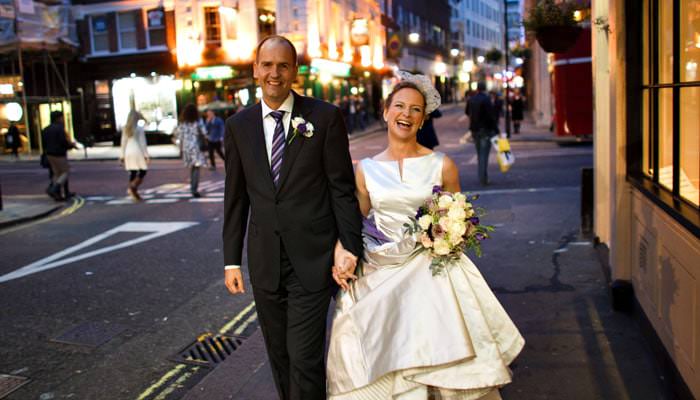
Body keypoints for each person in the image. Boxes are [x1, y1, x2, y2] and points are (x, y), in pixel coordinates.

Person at [327, 71, 524, 399]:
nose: (406, 114)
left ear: (423, 119)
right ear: (386, 112)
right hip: (381, 266)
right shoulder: (367, 169)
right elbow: (355, 220)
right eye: (400, 106)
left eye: (415, 109)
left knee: (438, 344)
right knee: (366, 333)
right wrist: (341, 251)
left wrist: (447, 235)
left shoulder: (442, 164)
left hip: (432, 267)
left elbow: (460, 214)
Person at [222, 35, 363, 400]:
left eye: (282, 65)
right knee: (280, 357)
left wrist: (349, 246)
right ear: (255, 70)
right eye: (267, 65)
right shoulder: (238, 126)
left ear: (295, 71)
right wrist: (230, 262)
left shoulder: (325, 117)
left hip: (312, 261)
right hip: (265, 261)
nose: (274, 73)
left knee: (305, 358)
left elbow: (341, 189)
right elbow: (235, 198)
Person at [466, 81, 498, 185]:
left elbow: (467, 112)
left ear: (477, 88)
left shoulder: (471, 99)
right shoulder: (486, 99)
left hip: (474, 130)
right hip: (484, 130)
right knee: (484, 155)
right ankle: (483, 179)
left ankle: (482, 177)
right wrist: (495, 129)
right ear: (484, 88)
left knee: (479, 153)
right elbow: (490, 116)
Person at [42, 111, 77, 200]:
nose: (62, 119)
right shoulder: (59, 128)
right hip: (59, 154)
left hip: (49, 154)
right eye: (61, 117)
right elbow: (63, 142)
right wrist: (71, 146)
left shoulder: (46, 129)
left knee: (57, 173)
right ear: (58, 118)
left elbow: (44, 143)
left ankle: (56, 193)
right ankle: (54, 188)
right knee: (65, 172)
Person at [175, 104, 208, 198]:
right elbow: (204, 132)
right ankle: (194, 189)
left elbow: (179, 136)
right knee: (196, 168)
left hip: (187, 148)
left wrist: (180, 149)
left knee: (192, 168)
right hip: (196, 147)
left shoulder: (183, 122)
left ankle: (192, 187)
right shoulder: (198, 121)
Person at [119, 110, 150, 201]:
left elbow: (123, 142)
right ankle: (133, 187)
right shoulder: (139, 128)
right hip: (137, 151)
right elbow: (142, 143)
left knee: (132, 171)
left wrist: (122, 155)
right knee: (143, 171)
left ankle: (132, 190)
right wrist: (146, 155)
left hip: (128, 151)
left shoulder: (125, 128)